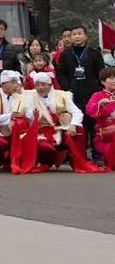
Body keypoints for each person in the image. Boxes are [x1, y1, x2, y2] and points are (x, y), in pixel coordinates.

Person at [25, 71, 101, 172]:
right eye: (37, 85)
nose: (40, 88)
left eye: (43, 84)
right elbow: (27, 114)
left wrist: (73, 125)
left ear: (50, 85)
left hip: (61, 129)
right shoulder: (31, 97)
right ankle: (45, 162)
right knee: (44, 147)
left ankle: (75, 160)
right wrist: (34, 115)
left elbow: (77, 112)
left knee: (79, 129)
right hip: (42, 130)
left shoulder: (62, 95)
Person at [55, 25, 104, 163]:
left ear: (85, 36)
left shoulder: (94, 53)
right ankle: (77, 155)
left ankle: (97, 156)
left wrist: (98, 89)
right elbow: (61, 73)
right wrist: (67, 88)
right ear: (70, 37)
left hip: (91, 93)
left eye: (79, 34)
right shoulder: (66, 54)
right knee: (77, 125)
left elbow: (101, 72)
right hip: (73, 93)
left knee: (93, 126)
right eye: (74, 34)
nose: (76, 36)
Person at [0, 71, 34, 172]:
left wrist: (33, 114)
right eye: (13, 82)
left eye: (17, 82)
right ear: (3, 83)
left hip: (18, 132)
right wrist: (9, 116)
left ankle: (10, 161)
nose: (16, 85)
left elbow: (30, 117)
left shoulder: (23, 98)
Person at [85, 67, 115, 170]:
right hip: (106, 136)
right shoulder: (97, 96)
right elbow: (89, 111)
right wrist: (100, 104)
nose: (114, 80)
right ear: (103, 81)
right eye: (111, 78)